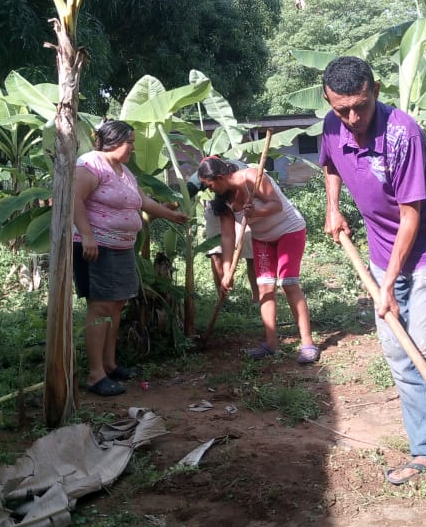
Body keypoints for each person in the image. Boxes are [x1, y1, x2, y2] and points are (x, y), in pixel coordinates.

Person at [319, 55, 426, 484]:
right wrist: (333, 209)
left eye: (360, 106)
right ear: (329, 101)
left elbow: (411, 216)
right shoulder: (333, 125)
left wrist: (386, 284)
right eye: (342, 109)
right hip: (379, 251)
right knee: (399, 354)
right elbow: (330, 164)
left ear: (374, 90)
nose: (352, 118)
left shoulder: (402, 132)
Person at [73, 120, 188, 396]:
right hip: (96, 247)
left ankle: (110, 365)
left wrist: (171, 214)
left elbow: (142, 201)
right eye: (130, 142)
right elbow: (74, 200)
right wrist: (87, 235)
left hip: (122, 248)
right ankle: (95, 374)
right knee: (100, 308)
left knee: (115, 307)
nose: (133, 148)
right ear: (113, 142)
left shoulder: (123, 171)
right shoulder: (90, 165)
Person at [197, 156, 319, 364]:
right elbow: (227, 237)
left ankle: (307, 343)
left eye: (210, 186)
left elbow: (276, 204)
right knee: (264, 288)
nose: (211, 191)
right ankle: (271, 344)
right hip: (262, 239)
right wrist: (227, 271)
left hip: (289, 230)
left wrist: (257, 211)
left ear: (219, 177)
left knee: (289, 284)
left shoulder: (252, 176)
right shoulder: (224, 201)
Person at [186, 170, 260, 303]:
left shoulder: (242, 174)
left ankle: (257, 298)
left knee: (252, 253)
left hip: (242, 204)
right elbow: (227, 235)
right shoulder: (201, 175)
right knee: (216, 252)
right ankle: (223, 298)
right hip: (216, 206)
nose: (210, 188)